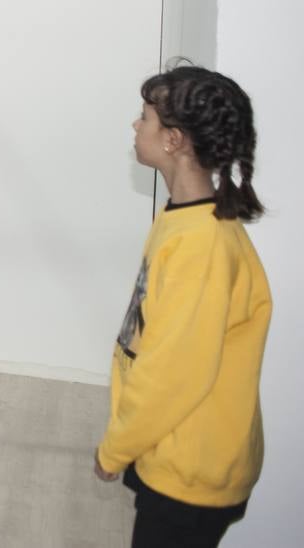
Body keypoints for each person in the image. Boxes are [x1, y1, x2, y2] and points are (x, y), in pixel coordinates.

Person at [94, 65, 272, 548]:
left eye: (145, 117)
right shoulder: (182, 219)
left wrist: (115, 448)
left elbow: (173, 373)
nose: (136, 125)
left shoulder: (203, 245)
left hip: (193, 465)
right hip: (169, 449)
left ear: (173, 140)